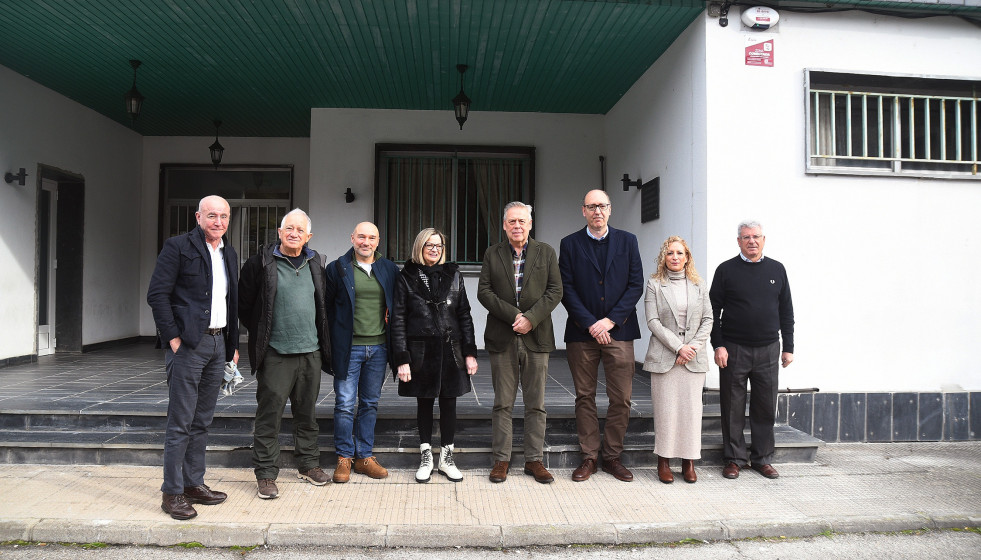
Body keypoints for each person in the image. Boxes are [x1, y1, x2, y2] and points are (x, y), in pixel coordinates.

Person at [146, 195, 239, 520]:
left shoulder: (228, 251)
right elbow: (157, 294)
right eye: (212, 215)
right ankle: (171, 492)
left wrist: (231, 344)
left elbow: (231, 300)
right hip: (187, 345)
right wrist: (172, 338)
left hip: (217, 345)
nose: (218, 222)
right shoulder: (178, 246)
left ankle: (193, 484)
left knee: (202, 421)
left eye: (224, 216)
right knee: (181, 423)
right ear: (198, 216)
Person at [238, 208, 332, 499]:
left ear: (309, 236)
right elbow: (244, 306)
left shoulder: (316, 263)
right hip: (276, 353)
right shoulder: (260, 263)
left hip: (310, 352)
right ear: (279, 232)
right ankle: (265, 473)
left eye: (300, 230)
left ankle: (308, 464)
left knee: (307, 414)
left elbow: (323, 304)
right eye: (288, 228)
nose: (294, 234)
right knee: (270, 416)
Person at [558, 189, 644, 483]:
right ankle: (589, 457)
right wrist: (591, 323)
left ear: (610, 210)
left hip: (619, 330)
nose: (598, 211)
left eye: (602, 206)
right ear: (583, 210)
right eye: (592, 206)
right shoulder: (569, 244)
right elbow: (565, 288)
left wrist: (609, 321)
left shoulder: (628, 241)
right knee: (585, 397)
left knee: (621, 398)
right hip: (582, 333)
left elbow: (636, 285)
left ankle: (612, 457)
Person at [477, 201, 563, 484]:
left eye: (522, 221)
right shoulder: (492, 253)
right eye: (511, 221)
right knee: (503, 403)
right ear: (504, 225)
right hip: (502, 337)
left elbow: (555, 291)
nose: (517, 226)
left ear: (530, 224)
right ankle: (501, 460)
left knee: (535, 403)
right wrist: (515, 315)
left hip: (536, 337)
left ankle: (533, 460)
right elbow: (484, 292)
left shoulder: (546, 252)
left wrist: (531, 318)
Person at [391, 228, 479, 483]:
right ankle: (426, 455)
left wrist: (470, 353)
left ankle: (447, 457)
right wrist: (402, 358)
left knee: (449, 401)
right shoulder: (406, 276)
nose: (434, 249)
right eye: (429, 245)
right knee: (425, 401)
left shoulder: (454, 275)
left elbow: (464, 315)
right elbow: (398, 319)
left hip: (451, 349)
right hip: (421, 350)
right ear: (420, 246)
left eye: (438, 245)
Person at [710, 220, 795, 480]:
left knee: (765, 406)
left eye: (756, 236)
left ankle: (762, 459)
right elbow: (712, 311)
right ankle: (734, 459)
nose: (751, 241)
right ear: (738, 241)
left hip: (769, 349)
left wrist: (788, 347)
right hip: (734, 349)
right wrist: (718, 345)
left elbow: (786, 310)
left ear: (764, 240)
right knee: (732, 406)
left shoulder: (777, 269)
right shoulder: (725, 270)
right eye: (746, 237)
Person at [324, 222, 398, 483]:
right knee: (344, 404)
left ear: (378, 241)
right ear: (352, 237)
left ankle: (364, 456)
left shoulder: (388, 269)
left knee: (369, 403)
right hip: (349, 349)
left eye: (372, 238)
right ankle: (344, 456)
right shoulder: (337, 268)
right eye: (361, 237)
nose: (366, 242)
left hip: (379, 348)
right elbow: (327, 308)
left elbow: (396, 308)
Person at [643, 236, 713, 484]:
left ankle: (689, 462)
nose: (675, 257)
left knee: (691, 412)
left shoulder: (699, 284)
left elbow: (708, 319)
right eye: (670, 253)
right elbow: (652, 321)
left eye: (680, 253)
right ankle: (663, 461)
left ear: (687, 257)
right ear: (664, 257)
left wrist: (691, 347)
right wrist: (678, 347)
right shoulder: (654, 284)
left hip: (693, 359)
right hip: (666, 357)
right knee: (666, 412)